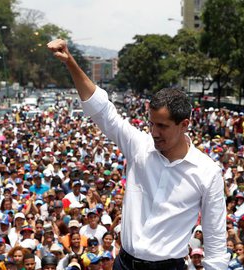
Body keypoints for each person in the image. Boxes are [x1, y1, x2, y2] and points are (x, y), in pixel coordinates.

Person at [47, 39, 229, 269]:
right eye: (151, 124)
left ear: (184, 124)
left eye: (162, 126)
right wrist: (70, 62)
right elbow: (103, 111)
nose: (154, 132)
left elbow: (215, 244)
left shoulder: (207, 172)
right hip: (123, 264)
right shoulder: (139, 146)